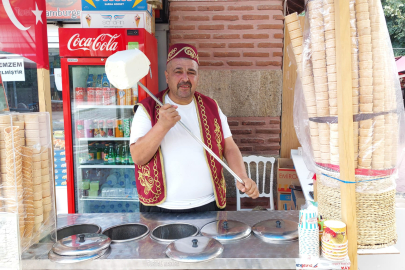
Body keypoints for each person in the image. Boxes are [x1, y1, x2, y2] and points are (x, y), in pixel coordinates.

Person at [130, 43, 259, 213]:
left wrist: (242, 176)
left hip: (209, 205)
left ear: (198, 77)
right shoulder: (147, 109)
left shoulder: (211, 106)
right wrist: (161, 126)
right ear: (167, 76)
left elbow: (229, 146)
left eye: (191, 72)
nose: (185, 78)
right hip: (161, 209)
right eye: (178, 71)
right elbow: (138, 157)